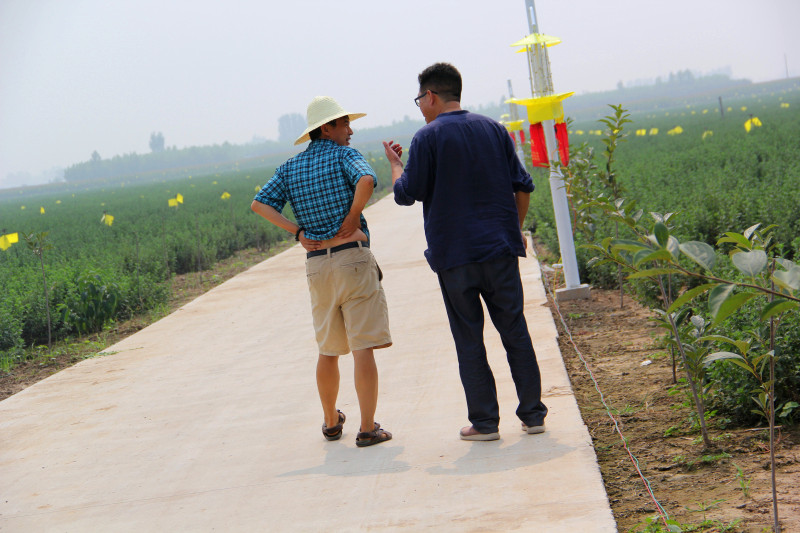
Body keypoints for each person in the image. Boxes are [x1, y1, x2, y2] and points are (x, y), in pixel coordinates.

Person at [383, 63, 548, 441]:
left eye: (419, 100)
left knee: (469, 338)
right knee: (515, 331)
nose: (420, 108)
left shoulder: (427, 137)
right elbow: (523, 185)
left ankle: (485, 423)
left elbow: (405, 194)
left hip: (455, 257)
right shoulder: (494, 129)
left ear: (430, 96)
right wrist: (515, 230)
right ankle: (534, 415)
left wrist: (396, 166)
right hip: (500, 250)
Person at [252, 96, 396, 447]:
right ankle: (367, 428)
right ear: (327, 129)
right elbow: (366, 180)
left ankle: (331, 422)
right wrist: (352, 217)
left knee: (328, 349)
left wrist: (298, 233)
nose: (350, 131)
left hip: (317, 265)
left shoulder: (290, 168)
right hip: (352, 258)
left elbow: (260, 204)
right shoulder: (345, 155)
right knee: (363, 347)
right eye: (344, 124)